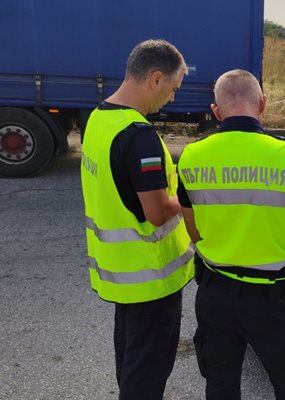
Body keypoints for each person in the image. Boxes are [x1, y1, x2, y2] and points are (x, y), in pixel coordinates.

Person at [177, 69, 285, 400]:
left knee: (220, 386)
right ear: (262, 104)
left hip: (214, 294)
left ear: (216, 111)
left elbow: (193, 231)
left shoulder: (191, 156)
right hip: (272, 300)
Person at [80, 39, 195, 400]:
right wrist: (191, 196)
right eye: (173, 89)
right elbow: (157, 211)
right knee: (147, 374)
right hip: (151, 280)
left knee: (132, 362)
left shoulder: (99, 119)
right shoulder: (139, 135)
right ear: (156, 78)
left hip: (122, 274)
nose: (172, 98)